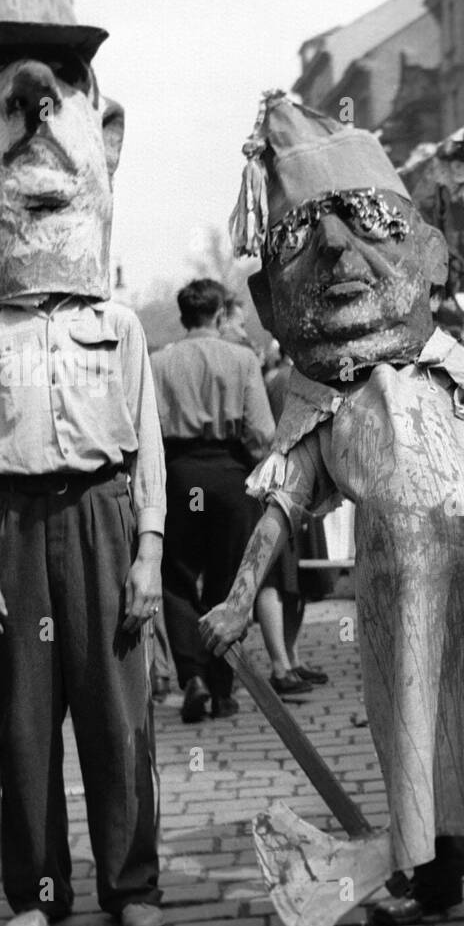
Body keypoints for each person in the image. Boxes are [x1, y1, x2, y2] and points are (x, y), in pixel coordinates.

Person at [201, 93, 464, 926]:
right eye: (314, 240)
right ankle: (435, 880)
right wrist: (242, 595)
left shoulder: (456, 364)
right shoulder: (317, 394)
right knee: (415, 736)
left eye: (361, 226)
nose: (340, 254)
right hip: (397, 601)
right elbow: (283, 500)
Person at [0, 0, 166, 926]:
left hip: (103, 515)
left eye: (62, 77)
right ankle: (32, 888)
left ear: (106, 132)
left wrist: (152, 550)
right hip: (17, 529)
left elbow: (148, 443)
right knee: (21, 723)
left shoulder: (119, 324)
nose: (32, 97)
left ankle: (130, 880)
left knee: (119, 716)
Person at [152, 277, 273, 721]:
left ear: (183, 316)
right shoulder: (241, 359)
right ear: (219, 313)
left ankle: (193, 676)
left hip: (181, 476)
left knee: (177, 578)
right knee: (229, 578)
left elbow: (148, 430)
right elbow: (261, 432)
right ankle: (222, 686)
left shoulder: (159, 364)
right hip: (228, 475)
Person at [257, 345, 330, 696]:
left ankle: (290, 658)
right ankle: (281, 663)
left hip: (291, 480)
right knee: (281, 575)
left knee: (293, 574)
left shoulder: (273, 379)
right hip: (292, 480)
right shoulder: (299, 380)